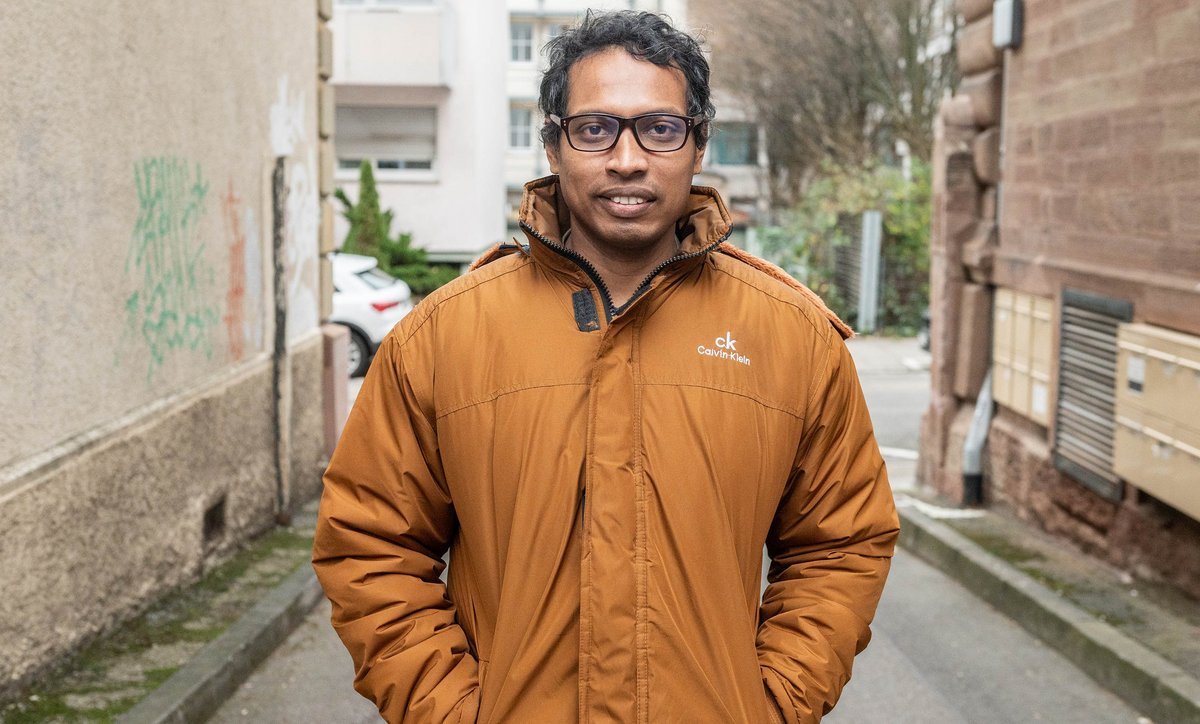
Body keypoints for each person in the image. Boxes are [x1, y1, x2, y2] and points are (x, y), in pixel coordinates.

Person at [313, 10, 898, 723]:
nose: (627, 159)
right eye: (595, 129)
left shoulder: (791, 339)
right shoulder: (442, 338)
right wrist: (452, 711)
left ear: (699, 142)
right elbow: (371, 546)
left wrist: (773, 702)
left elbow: (841, 544)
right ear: (555, 147)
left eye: (659, 128)